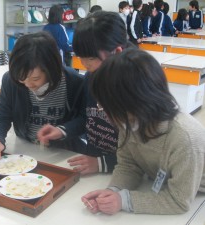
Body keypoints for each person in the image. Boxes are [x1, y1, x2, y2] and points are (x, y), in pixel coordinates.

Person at [82, 48, 205, 215]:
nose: (103, 112)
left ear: (134, 102)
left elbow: (179, 201)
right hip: (164, 185)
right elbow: (128, 165)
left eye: (106, 106)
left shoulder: (185, 138)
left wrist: (123, 200)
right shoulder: (128, 121)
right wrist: (113, 191)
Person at [38, 11, 129, 175]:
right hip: (93, 161)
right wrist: (62, 130)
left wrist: (103, 163)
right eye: (81, 58)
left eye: (91, 59)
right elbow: (86, 117)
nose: (85, 65)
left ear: (117, 52)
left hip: (123, 171)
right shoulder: (91, 76)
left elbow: (146, 151)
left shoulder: (136, 86)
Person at [0, 31, 85, 159]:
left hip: (65, 152)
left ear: (51, 69)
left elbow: (84, 120)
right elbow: (3, 116)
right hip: (27, 148)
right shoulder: (10, 81)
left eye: (35, 79)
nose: (28, 84)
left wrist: (62, 130)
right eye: (22, 78)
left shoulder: (74, 82)